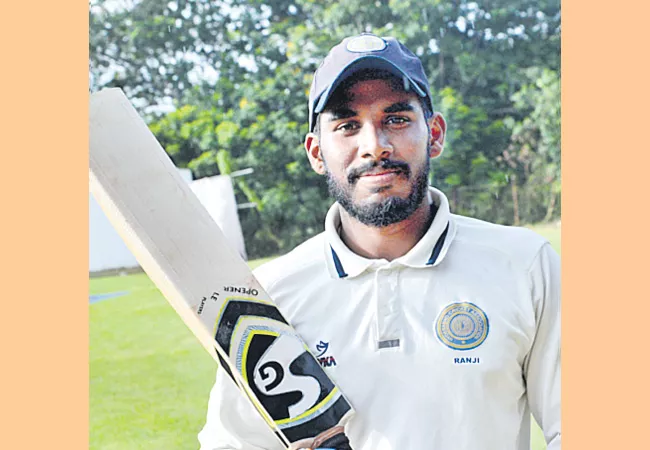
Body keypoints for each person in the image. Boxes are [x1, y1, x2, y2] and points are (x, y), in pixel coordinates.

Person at [198, 33, 561, 450]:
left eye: (397, 119)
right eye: (348, 125)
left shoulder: (525, 265)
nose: (375, 146)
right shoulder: (269, 296)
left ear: (435, 134)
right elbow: (233, 443)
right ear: (317, 152)